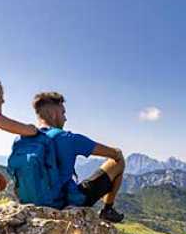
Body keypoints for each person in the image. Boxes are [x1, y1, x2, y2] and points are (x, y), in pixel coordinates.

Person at [31, 91, 125, 223]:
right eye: (63, 113)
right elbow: (114, 154)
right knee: (119, 161)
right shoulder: (68, 138)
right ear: (54, 114)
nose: (65, 118)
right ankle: (107, 210)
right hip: (67, 200)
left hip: (32, 200)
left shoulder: (25, 139)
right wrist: (117, 152)